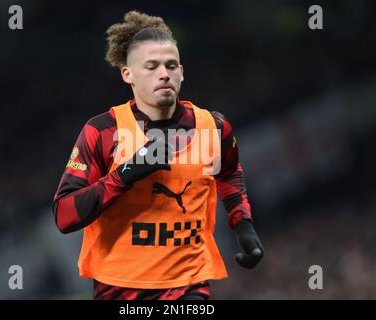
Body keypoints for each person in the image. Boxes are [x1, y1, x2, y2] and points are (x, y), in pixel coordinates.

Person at [52, 11, 264, 300]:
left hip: (189, 285)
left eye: (171, 65)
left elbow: (228, 172)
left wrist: (243, 225)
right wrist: (127, 173)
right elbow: (65, 215)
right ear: (128, 74)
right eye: (151, 66)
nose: (164, 73)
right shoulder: (103, 131)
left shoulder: (213, 127)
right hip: (120, 289)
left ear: (182, 72)